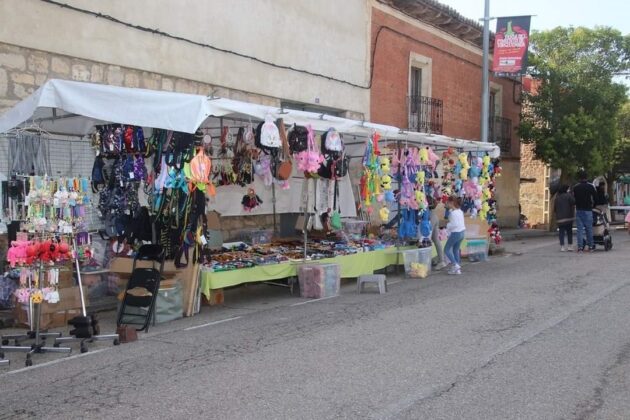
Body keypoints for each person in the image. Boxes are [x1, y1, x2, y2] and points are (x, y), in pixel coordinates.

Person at [573, 171, 597, 252]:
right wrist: (593, 206)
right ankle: (590, 246)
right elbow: (595, 197)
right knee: (589, 229)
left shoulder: (576, 187)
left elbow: (574, 199)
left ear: (579, 178)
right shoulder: (590, 187)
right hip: (588, 210)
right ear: (586, 177)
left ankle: (580, 247)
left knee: (579, 230)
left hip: (579, 209)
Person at [443, 196, 466, 275]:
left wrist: (448, 225)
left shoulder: (452, 213)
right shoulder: (460, 211)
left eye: (447, 203)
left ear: (451, 203)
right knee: (456, 250)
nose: (446, 204)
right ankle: (457, 268)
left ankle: (455, 265)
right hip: (462, 232)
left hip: (456, 233)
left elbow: (454, 224)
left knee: (446, 249)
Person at [427, 197, 447, 270]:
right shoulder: (432, 210)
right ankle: (441, 261)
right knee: (436, 240)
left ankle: (427, 262)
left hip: (430, 218)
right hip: (435, 217)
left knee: (427, 240)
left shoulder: (426, 209)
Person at [554, 185, 575, 251]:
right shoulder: (568, 196)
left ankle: (562, 246)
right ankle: (570, 246)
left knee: (561, 232)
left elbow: (555, 209)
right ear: (566, 189)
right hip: (568, 217)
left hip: (560, 219)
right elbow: (574, 202)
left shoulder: (557, 198)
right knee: (569, 232)